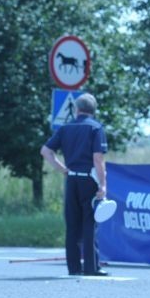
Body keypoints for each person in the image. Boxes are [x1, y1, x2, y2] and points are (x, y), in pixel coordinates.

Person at [40, 93, 109, 276]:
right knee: (89, 222)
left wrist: (63, 169)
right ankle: (91, 267)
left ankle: (74, 268)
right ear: (93, 111)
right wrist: (103, 185)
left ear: (77, 109)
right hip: (89, 179)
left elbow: (46, 151)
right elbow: (98, 158)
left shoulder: (65, 128)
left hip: (71, 180)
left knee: (72, 224)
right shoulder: (96, 128)